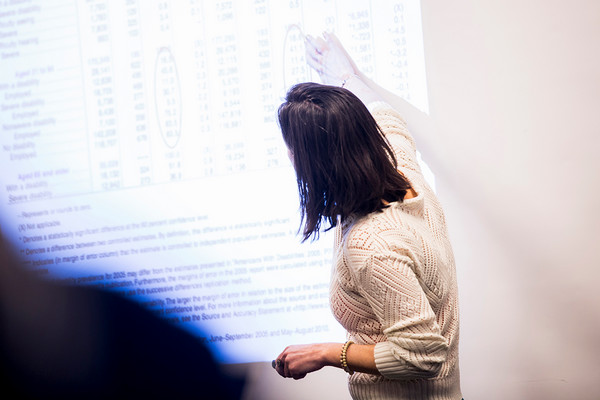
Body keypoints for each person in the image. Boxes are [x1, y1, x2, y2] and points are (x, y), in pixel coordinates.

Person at [273, 32, 462, 399]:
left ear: (318, 165)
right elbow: (385, 116)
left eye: (293, 151)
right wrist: (345, 75)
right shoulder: (403, 173)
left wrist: (325, 354)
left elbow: (424, 354)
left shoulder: (371, 245)